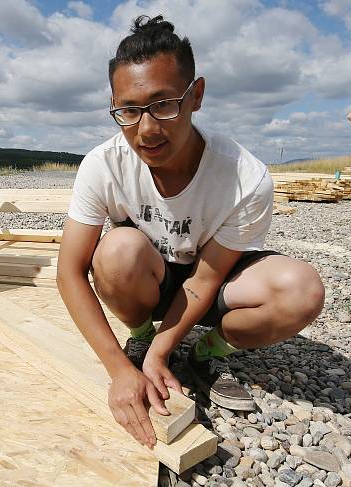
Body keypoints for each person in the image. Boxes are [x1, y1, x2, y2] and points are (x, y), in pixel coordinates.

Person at [57, 15, 324, 448]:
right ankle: (141, 339)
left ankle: (206, 353)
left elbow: (204, 279)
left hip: (209, 281)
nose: (146, 129)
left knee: (301, 290)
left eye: (164, 105)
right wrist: (119, 370)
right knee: (116, 251)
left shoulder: (244, 176)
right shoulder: (103, 165)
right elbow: (68, 272)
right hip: (150, 279)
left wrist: (169, 353)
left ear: (195, 95)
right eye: (128, 110)